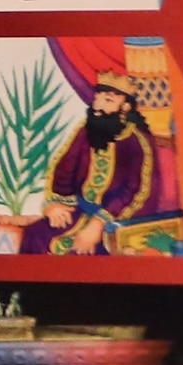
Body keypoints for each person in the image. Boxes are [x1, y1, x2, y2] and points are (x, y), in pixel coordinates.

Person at [46, 70, 162, 253]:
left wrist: (99, 223)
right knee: (37, 236)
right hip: (77, 211)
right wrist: (55, 204)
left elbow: (138, 192)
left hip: (114, 223)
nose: (98, 106)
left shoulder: (137, 142)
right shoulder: (86, 130)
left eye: (108, 100)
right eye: (97, 99)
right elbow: (65, 168)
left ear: (125, 107)